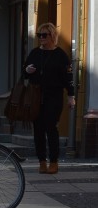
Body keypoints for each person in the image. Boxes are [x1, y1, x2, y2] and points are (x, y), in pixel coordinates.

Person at [24, 23, 76, 174]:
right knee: (38, 129)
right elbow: (25, 72)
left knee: (51, 127)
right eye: (39, 35)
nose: (41, 38)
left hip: (54, 96)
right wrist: (27, 70)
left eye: (44, 35)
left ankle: (54, 162)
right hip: (36, 96)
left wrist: (71, 96)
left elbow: (68, 77)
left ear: (52, 36)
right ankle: (41, 161)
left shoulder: (60, 55)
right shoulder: (34, 53)